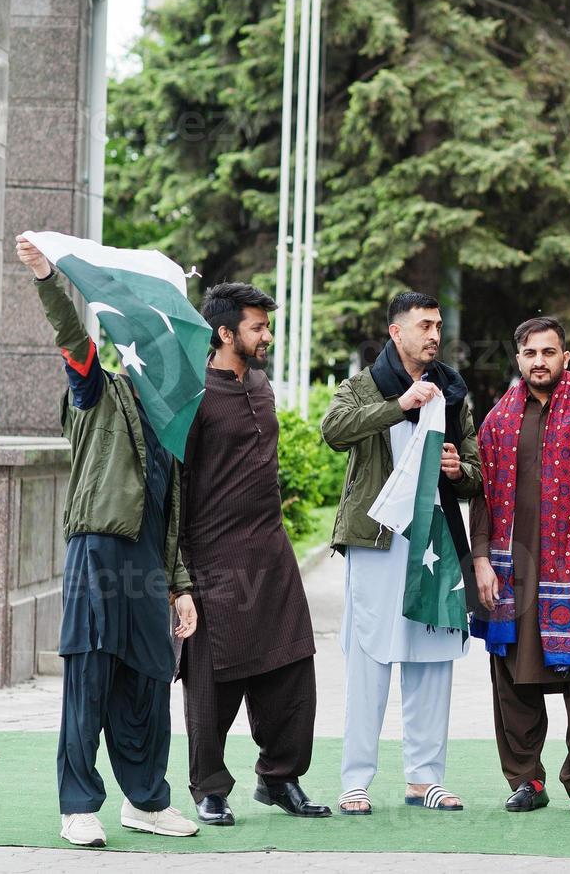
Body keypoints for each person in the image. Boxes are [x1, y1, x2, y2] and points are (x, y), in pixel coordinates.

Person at [17, 235, 200, 848]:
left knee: (150, 681)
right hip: (97, 554)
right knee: (89, 682)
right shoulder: (98, 391)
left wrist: (181, 588)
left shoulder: (172, 419)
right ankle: (78, 806)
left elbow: (171, 517)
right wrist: (47, 278)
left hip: (148, 567)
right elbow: (72, 338)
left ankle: (146, 800)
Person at [321, 291, 483, 816]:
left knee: (433, 660)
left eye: (438, 325)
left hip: (433, 540)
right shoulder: (362, 386)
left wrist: (459, 473)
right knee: (370, 657)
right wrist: (400, 405)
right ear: (396, 332)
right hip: (377, 540)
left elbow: (477, 474)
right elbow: (333, 431)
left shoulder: (453, 392)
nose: (434, 334)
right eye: (424, 325)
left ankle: (425, 778)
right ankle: (356, 780)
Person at [179, 283, 328, 825]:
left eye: (267, 325)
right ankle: (209, 787)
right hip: (214, 557)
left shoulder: (261, 385)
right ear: (224, 333)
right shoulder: (193, 393)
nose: (267, 335)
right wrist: (181, 578)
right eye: (257, 327)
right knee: (213, 680)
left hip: (273, 552)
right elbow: (178, 484)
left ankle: (280, 776)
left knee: (292, 666)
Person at [472, 316, 570, 818]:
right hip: (513, 568)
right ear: (519, 359)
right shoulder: (497, 420)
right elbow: (483, 498)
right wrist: (480, 561)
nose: (540, 361)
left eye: (549, 352)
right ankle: (525, 780)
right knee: (512, 676)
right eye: (531, 353)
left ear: (566, 357)